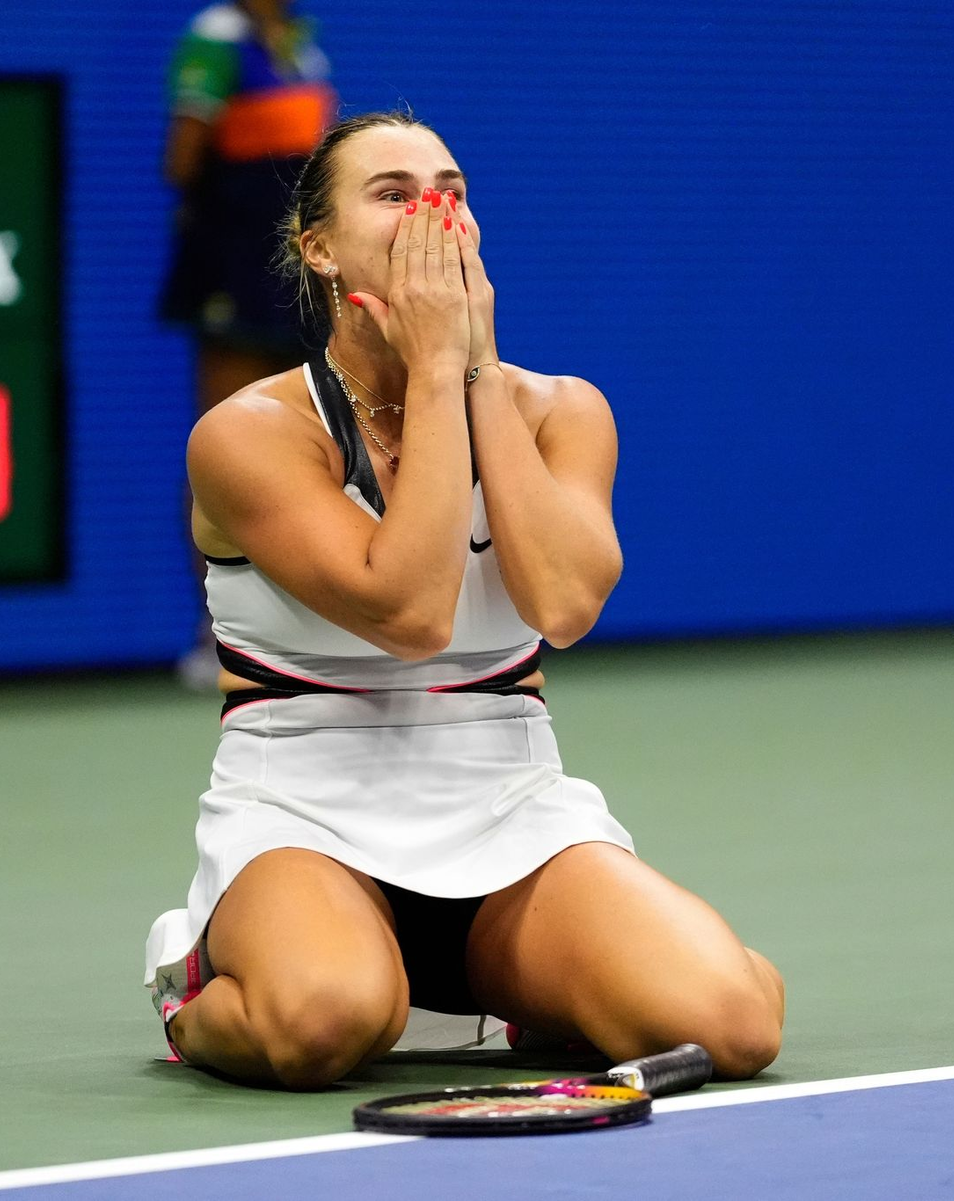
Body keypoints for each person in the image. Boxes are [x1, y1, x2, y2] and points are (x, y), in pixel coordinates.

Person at [145, 111, 785, 1090]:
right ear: (319, 248)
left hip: (511, 814)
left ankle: (553, 978)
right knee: (326, 1020)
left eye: (448, 189)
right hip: (299, 818)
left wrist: (471, 368)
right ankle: (196, 979)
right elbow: (409, 611)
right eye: (393, 193)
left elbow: (565, 605)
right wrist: (439, 367)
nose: (431, 213)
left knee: (731, 1023)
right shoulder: (247, 435)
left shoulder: (563, 411)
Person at [159, 1, 336, 687]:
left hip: (299, 271)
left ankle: (308, 619)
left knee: (312, 442)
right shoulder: (215, 40)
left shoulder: (301, 46)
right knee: (225, 446)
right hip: (231, 266)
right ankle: (219, 634)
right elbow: (183, 159)